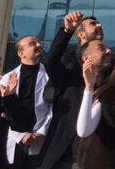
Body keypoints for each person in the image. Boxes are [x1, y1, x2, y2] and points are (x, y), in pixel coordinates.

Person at [38, 11, 110, 169]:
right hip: (61, 149)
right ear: (81, 34)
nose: (99, 25)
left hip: (95, 150)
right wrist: (67, 30)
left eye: (100, 23)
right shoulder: (68, 63)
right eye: (93, 24)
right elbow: (50, 62)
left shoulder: (110, 67)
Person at [0, 35, 52, 168]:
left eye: (38, 42)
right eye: (32, 44)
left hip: (42, 138)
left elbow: (53, 107)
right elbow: (4, 113)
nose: (38, 45)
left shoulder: (49, 75)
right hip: (17, 140)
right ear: (21, 53)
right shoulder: (7, 79)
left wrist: (42, 132)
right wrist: (21, 136)